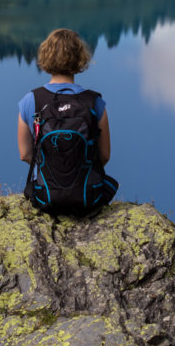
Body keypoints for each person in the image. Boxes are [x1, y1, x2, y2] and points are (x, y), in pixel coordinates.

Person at [18, 28, 114, 214]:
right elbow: (104, 156)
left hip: (45, 195)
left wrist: (54, 169)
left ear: (46, 56)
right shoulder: (94, 102)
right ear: (80, 57)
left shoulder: (31, 100)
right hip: (87, 196)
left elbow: (25, 154)